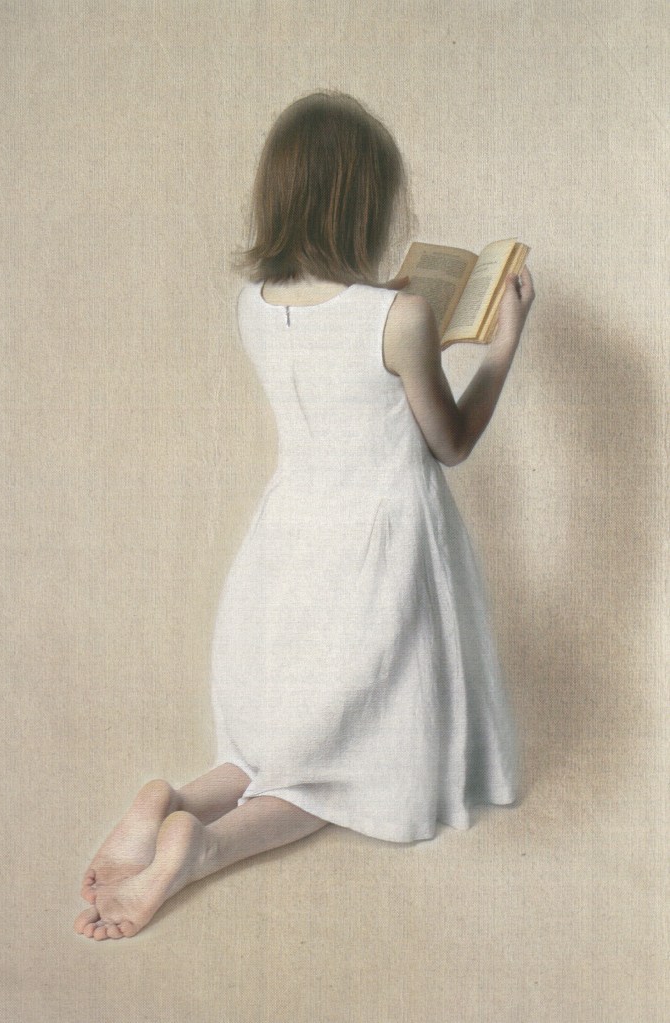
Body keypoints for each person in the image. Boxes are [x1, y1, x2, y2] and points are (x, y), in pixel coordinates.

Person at [74, 91, 535, 941]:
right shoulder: (403, 317)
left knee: (277, 742)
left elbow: (336, 344)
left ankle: (172, 800)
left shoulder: (253, 303)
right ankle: (204, 846)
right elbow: (451, 442)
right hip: (380, 559)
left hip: (286, 549)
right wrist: (502, 346)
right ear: (364, 204)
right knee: (337, 772)